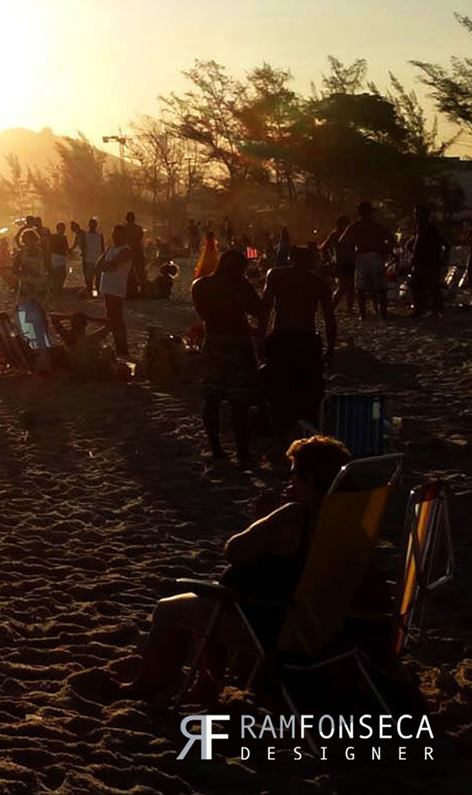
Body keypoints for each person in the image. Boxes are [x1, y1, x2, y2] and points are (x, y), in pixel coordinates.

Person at [129, 435, 352, 700]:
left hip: (268, 625)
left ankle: (148, 686)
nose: (290, 481)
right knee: (211, 599)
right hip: (312, 626)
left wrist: (265, 519)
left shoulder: (295, 515)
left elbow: (234, 550)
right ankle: (204, 685)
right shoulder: (343, 518)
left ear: (312, 477)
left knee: (170, 608)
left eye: (294, 474)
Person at [192, 252, 265, 465]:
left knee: (212, 398)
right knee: (239, 401)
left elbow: (205, 315)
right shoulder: (238, 285)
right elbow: (258, 309)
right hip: (237, 345)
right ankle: (242, 452)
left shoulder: (200, 285)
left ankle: (216, 448)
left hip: (213, 343)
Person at [259, 245, 337, 442]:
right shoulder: (318, 283)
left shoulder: (276, 276)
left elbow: (265, 309)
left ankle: (281, 430)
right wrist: (331, 348)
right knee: (309, 390)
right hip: (306, 338)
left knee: (279, 387)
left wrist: (260, 338)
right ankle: (306, 431)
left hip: (282, 336)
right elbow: (329, 318)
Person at [338, 203, 394, 318]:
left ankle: (363, 314)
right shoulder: (376, 226)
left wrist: (352, 250)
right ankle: (382, 313)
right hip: (375, 256)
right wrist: (386, 251)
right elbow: (391, 239)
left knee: (361, 288)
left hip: (362, 256)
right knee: (379, 288)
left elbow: (342, 241)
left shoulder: (355, 226)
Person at [95, 225, 135, 357]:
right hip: (107, 288)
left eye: (118, 234)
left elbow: (111, 266)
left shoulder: (126, 251)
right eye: (114, 234)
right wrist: (106, 265)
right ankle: (118, 348)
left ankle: (122, 348)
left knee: (117, 320)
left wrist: (106, 265)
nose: (114, 236)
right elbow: (98, 265)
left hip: (117, 289)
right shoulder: (110, 249)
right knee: (111, 319)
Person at [410, 205, 446, 317]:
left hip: (428, 262)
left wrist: (442, 258)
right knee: (420, 286)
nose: (416, 216)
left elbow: (443, 243)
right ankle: (423, 309)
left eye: (417, 214)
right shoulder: (421, 227)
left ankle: (433, 309)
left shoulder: (429, 229)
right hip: (424, 262)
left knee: (430, 286)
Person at [80, 216, 106, 295]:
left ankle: (90, 292)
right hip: (96, 260)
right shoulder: (99, 235)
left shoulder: (86, 235)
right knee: (96, 279)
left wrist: (83, 260)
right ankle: (96, 292)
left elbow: (84, 249)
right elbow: (102, 249)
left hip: (89, 260)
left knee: (90, 279)